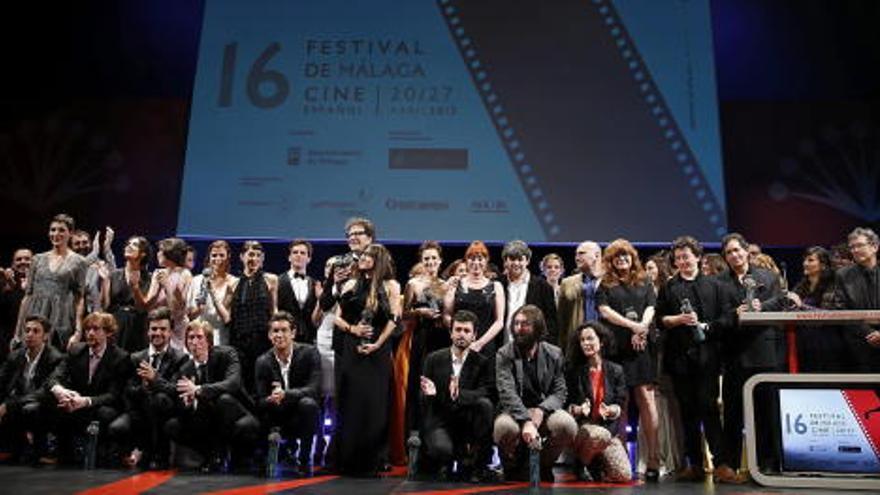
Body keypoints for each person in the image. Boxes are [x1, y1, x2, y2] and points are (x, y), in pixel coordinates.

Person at [715, 233, 786, 483]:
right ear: (725, 258)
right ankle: (729, 466)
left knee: (766, 412)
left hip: (765, 353)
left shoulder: (767, 276)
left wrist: (760, 308)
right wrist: (735, 313)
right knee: (733, 414)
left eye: (737, 250)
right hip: (735, 355)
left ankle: (767, 465)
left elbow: (780, 302)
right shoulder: (719, 283)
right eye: (729, 253)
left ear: (746, 251)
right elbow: (718, 320)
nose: (734, 255)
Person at [655, 236, 728, 481]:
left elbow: (726, 319)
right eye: (678, 258)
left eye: (686, 256)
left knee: (709, 409)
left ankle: (721, 464)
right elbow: (660, 320)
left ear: (698, 256)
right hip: (680, 359)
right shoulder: (669, 287)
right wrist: (677, 320)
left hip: (708, 358)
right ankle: (694, 464)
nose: (682, 261)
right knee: (687, 413)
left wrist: (705, 326)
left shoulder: (715, 285)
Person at [334, 243, 401, 476]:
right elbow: (336, 318)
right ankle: (348, 459)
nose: (362, 258)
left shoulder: (391, 285)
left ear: (379, 259)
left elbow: (393, 320)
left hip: (379, 350)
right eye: (362, 255)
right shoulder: (351, 284)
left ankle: (375, 459)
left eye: (368, 255)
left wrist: (378, 344)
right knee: (352, 402)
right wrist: (353, 330)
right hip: (353, 348)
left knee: (375, 404)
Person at [596, 238, 660, 481]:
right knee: (619, 404)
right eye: (617, 257)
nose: (622, 260)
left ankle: (653, 459)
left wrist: (641, 327)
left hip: (642, 348)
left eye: (626, 256)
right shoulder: (606, 284)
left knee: (646, 399)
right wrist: (634, 326)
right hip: (616, 349)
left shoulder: (644, 282)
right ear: (610, 261)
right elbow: (605, 312)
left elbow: (651, 308)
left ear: (633, 258)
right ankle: (620, 462)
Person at [493, 305, 577, 482]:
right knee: (503, 427)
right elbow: (506, 391)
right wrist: (525, 420)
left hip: (543, 409)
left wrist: (541, 410)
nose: (519, 328)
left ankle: (543, 465)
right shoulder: (504, 353)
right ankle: (511, 467)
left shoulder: (554, 353)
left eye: (525, 324)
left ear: (538, 328)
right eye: (516, 324)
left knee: (567, 424)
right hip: (514, 411)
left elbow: (560, 391)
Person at [168, 320, 259, 472]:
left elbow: (233, 384)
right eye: (190, 338)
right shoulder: (185, 368)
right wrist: (189, 403)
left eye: (199, 337)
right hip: (208, 418)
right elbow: (180, 399)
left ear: (209, 341)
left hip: (237, 412)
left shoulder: (227, 354)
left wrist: (198, 390)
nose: (194, 342)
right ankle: (209, 453)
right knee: (173, 425)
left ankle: (227, 453)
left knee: (224, 401)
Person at [419, 310, 495, 481]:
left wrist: (459, 394)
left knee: (485, 405)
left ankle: (474, 463)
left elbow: (487, 391)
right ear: (451, 332)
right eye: (458, 329)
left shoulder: (482, 362)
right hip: (441, 420)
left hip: (468, 421)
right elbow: (423, 400)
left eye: (467, 331)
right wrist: (431, 395)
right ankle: (447, 460)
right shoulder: (433, 359)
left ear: (474, 335)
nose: (461, 334)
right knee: (441, 449)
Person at [47, 312, 132, 464]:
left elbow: (113, 395)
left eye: (95, 329)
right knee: (55, 403)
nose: (90, 333)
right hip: (76, 402)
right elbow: (55, 377)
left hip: (102, 405)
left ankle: (101, 455)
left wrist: (85, 401)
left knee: (104, 413)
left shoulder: (120, 357)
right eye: (87, 329)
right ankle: (62, 455)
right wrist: (61, 391)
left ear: (108, 332)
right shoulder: (75, 351)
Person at [110, 307, 189, 469]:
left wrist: (155, 379)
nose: (158, 333)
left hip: (166, 413)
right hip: (138, 412)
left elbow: (176, 391)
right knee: (116, 428)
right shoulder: (135, 358)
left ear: (170, 332)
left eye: (163, 329)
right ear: (148, 331)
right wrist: (143, 388)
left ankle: (154, 453)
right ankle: (136, 451)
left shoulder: (181, 358)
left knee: (159, 401)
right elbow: (126, 391)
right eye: (154, 329)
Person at [254, 311, 321, 476]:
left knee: (309, 405)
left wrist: (287, 394)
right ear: (270, 335)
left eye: (284, 330)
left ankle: (304, 460)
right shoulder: (262, 361)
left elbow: (314, 389)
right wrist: (271, 399)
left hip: (300, 412)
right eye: (275, 331)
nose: (279, 335)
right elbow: (259, 400)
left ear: (293, 333)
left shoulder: (309, 353)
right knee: (261, 414)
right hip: (275, 414)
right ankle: (270, 453)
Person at [565, 321, 631, 482]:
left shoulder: (616, 370)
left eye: (590, 339)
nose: (586, 343)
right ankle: (580, 464)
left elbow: (620, 403)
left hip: (608, 429)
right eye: (582, 340)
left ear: (601, 341)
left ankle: (595, 463)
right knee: (599, 434)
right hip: (583, 429)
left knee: (623, 475)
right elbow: (566, 405)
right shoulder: (574, 371)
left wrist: (611, 410)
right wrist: (579, 409)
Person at [14, 214, 88, 351]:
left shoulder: (79, 262)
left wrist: (78, 331)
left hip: (61, 318)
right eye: (53, 230)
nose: (56, 234)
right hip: (35, 315)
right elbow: (27, 296)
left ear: (70, 233)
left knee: (54, 358)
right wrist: (17, 331)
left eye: (61, 230)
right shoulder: (37, 259)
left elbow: (79, 297)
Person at [0, 315, 62, 462]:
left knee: (29, 408)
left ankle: (40, 450)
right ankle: (16, 448)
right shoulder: (16, 356)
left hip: (45, 403)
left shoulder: (55, 358)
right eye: (27, 330)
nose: (30, 335)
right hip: (20, 399)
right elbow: (2, 380)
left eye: (36, 331)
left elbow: (45, 392)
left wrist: (9, 404)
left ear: (46, 336)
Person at [403, 241, 448, 435]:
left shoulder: (446, 286)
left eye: (433, 258)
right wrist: (419, 311)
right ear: (422, 261)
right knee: (417, 384)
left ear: (440, 261)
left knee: (438, 384)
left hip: (441, 338)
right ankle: (414, 434)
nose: (430, 262)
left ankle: (436, 431)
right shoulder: (413, 284)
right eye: (426, 258)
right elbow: (403, 314)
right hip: (421, 338)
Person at [228, 240, 278, 393]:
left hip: (262, 339)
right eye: (250, 255)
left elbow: (274, 310)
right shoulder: (234, 284)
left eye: (258, 255)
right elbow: (230, 315)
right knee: (243, 381)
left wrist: (275, 335)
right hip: (239, 341)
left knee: (262, 380)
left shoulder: (271, 279)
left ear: (262, 259)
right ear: (242, 257)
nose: (254, 259)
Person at [443, 241, 505, 360]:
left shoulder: (496, 286)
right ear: (466, 261)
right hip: (459, 345)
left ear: (486, 261)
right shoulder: (456, 285)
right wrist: (460, 336)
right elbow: (446, 315)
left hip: (486, 346)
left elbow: (499, 321)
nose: (476, 263)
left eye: (480, 259)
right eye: (472, 259)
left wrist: (479, 344)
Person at [787, 246, 844, 372]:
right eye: (805, 260)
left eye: (810, 260)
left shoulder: (833, 284)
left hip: (826, 343)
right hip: (803, 341)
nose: (805, 263)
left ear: (823, 265)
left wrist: (802, 305)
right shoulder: (801, 285)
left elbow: (829, 315)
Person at [833, 227, 880, 372]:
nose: (854, 250)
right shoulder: (843, 275)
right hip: (858, 345)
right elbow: (842, 309)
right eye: (852, 247)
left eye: (859, 245)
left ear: (874, 246)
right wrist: (868, 333)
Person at [500, 240, 558, 346]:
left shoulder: (542, 286)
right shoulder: (498, 284)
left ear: (527, 261)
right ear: (505, 261)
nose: (516, 263)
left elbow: (551, 323)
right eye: (512, 259)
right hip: (503, 346)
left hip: (533, 348)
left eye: (520, 259)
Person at [138, 238, 192, 350]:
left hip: (177, 328)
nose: (158, 254)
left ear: (170, 254)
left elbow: (178, 311)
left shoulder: (185, 274)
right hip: (158, 324)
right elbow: (148, 306)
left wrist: (167, 286)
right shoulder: (158, 273)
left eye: (160, 251)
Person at [103, 236, 152, 352]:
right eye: (128, 244)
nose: (129, 246)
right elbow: (105, 305)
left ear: (143, 254)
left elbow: (143, 307)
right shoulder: (113, 275)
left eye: (134, 245)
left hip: (137, 325)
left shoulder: (149, 278)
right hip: (115, 324)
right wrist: (104, 282)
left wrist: (135, 287)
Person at [187, 240, 236, 346]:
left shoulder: (233, 282)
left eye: (222, 255)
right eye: (214, 255)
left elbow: (226, 318)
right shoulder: (196, 281)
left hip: (221, 337)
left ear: (228, 257)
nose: (218, 259)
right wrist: (199, 309)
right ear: (209, 258)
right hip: (198, 336)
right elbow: (189, 315)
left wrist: (212, 293)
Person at [558, 241, 603, 355]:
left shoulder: (611, 281)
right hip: (576, 347)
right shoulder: (567, 283)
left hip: (606, 345)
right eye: (576, 254)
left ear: (596, 255)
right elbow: (562, 321)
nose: (577, 257)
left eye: (581, 253)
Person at [277, 240, 319, 344]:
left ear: (309, 259)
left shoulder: (315, 284)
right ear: (289, 257)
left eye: (302, 253)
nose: (298, 255)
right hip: (284, 338)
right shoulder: (278, 281)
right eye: (295, 252)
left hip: (308, 339)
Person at [0, 249, 32, 357]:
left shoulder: (41, 281)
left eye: (27, 259)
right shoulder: (4, 282)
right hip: (7, 338)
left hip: (33, 335)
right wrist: (5, 287)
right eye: (18, 259)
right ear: (13, 264)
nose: (23, 261)